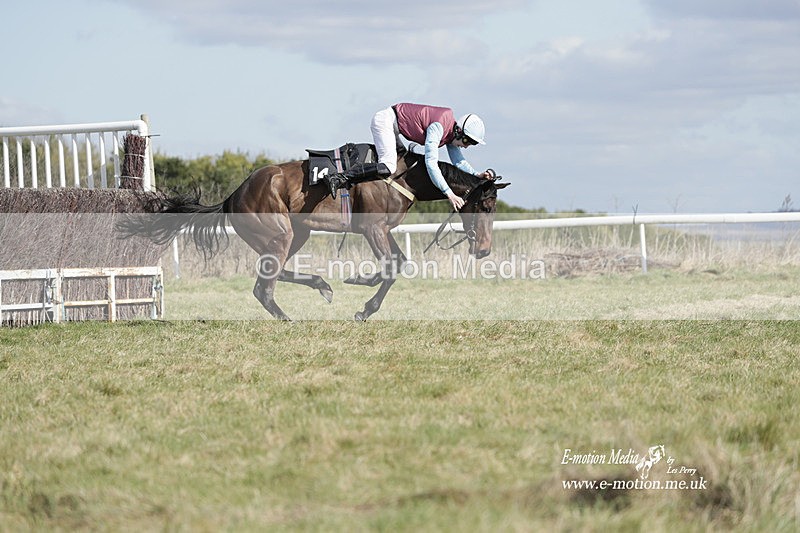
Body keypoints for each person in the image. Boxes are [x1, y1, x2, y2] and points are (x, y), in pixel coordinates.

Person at [325, 103, 492, 210]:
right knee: (389, 166)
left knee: (402, 163)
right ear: (459, 132)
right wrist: (449, 193)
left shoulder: (450, 133)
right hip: (386, 122)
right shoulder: (439, 127)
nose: (467, 146)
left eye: (472, 143)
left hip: (394, 127)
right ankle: (339, 177)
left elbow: (458, 160)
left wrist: (476, 174)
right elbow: (431, 164)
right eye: (468, 141)